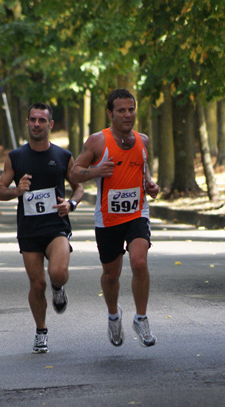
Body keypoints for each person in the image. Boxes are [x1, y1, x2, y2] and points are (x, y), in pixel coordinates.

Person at [70, 88, 159, 347]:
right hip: (107, 218)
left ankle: (141, 318)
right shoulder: (98, 142)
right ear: (110, 113)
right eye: (121, 110)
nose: (127, 114)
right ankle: (113, 316)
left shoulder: (143, 140)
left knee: (139, 262)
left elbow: (144, 171)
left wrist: (150, 184)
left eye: (131, 109)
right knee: (111, 275)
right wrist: (96, 170)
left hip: (136, 213)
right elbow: (74, 173)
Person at [0, 102, 84, 354]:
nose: (36, 124)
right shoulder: (16, 157)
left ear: (50, 124)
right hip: (29, 230)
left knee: (58, 272)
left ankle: (59, 289)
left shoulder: (63, 156)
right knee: (36, 285)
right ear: (27, 122)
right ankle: (41, 331)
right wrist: (16, 190)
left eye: (42, 120)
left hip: (56, 225)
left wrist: (71, 203)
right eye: (33, 119)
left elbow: (78, 187)